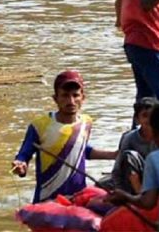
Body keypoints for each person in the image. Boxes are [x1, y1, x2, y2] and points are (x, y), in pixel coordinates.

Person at [12, 70, 117, 203]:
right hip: (47, 199)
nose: (71, 101)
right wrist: (20, 166)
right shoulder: (39, 126)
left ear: (83, 98)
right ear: (55, 98)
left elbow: (79, 150)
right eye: (65, 96)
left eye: (75, 95)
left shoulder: (86, 122)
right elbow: (24, 155)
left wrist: (113, 155)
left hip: (78, 197)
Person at [109, 98, 157, 195]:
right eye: (145, 116)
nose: (149, 120)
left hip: (158, 178)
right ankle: (140, 196)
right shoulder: (129, 138)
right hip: (137, 180)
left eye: (153, 116)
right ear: (137, 119)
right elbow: (117, 171)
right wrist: (120, 192)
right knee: (129, 156)